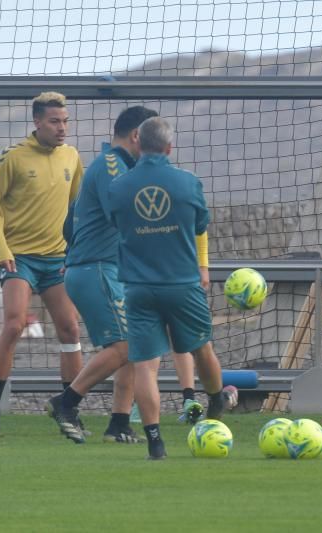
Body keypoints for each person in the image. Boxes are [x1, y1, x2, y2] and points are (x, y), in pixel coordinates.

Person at [45, 107, 213, 444]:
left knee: (135, 347)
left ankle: (119, 423)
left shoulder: (115, 165)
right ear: (137, 136)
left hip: (101, 267)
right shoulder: (113, 166)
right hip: (97, 268)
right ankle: (66, 403)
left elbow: (71, 222)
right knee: (124, 346)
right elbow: (128, 217)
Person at [107, 116, 227, 460]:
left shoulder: (118, 187)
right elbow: (200, 224)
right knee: (201, 347)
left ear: (138, 143)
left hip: (138, 287)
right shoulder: (188, 183)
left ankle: (155, 443)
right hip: (182, 284)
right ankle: (216, 401)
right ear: (170, 147)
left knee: (145, 365)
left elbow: (117, 223)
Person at [0, 92, 83, 435]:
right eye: (55, 122)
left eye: (65, 121)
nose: (62, 128)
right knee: (13, 326)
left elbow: (78, 209)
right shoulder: (12, 157)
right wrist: (1, 250)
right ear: (37, 122)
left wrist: (74, 252)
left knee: (70, 330)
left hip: (57, 261)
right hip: (19, 259)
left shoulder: (72, 157)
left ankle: (69, 411)